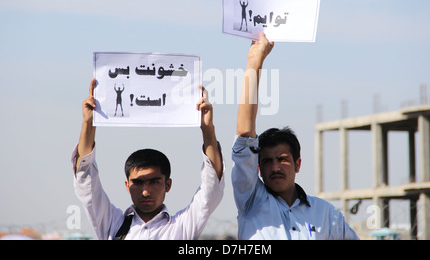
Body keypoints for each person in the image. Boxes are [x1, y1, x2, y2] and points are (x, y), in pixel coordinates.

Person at [231, 32, 359, 240]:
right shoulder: (251, 200)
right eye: (267, 161)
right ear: (258, 168)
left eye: (282, 159)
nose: (275, 167)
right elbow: (245, 135)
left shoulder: (326, 214)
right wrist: (255, 59)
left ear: (298, 164)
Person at [72, 79, 224, 240]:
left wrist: (207, 128)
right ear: (127, 185)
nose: (145, 191)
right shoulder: (113, 225)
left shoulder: (182, 227)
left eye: (154, 182)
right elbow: (85, 179)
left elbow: (211, 188)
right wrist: (88, 123)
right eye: (137, 182)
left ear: (168, 184)